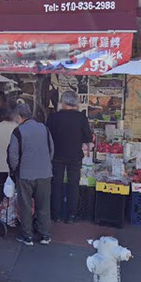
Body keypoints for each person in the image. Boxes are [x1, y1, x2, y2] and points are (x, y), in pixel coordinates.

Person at [8, 103, 54, 246]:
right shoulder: (44, 129)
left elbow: (13, 156)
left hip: (25, 174)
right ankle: (44, 235)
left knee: (26, 206)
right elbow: (51, 150)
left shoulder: (18, 131)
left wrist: (16, 170)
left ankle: (27, 236)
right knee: (43, 205)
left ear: (19, 116)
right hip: (45, 173)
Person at [46, 90, 94, 222]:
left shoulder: (54, 117)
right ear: (75, 102)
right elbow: (88, 137)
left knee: (56, 184)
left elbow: (47, 136)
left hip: (56, 155)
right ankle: (72, 215)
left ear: (62, 102)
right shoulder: (81, 118)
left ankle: (56, 215)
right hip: (74, 156)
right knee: (74, 185)